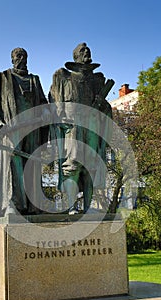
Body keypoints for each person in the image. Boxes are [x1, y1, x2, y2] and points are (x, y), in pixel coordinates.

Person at [49, 43, 114, 214]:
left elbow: (106, 109)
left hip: (92, 127)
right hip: (73, 129)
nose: (86, 52)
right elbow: (54, 103)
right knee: (72, 166)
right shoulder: (63, 78)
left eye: (88, 51)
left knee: (92, 166)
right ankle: (70, 207)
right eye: (82, 51)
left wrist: (103, 106)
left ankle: (90, 207)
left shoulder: (97, 81)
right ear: (76, 57)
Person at [0, 47, 49, 216]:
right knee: (14, 164)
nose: (21, 58)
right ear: (12, 59)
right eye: (18, 56)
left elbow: (43, 104)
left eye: (24, 56)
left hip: (33, 130)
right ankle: (12, 204)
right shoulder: (2, 78)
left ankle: (34, 206)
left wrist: (46, 114)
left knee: (32, 164)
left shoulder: (34, 80)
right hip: (12, 129)